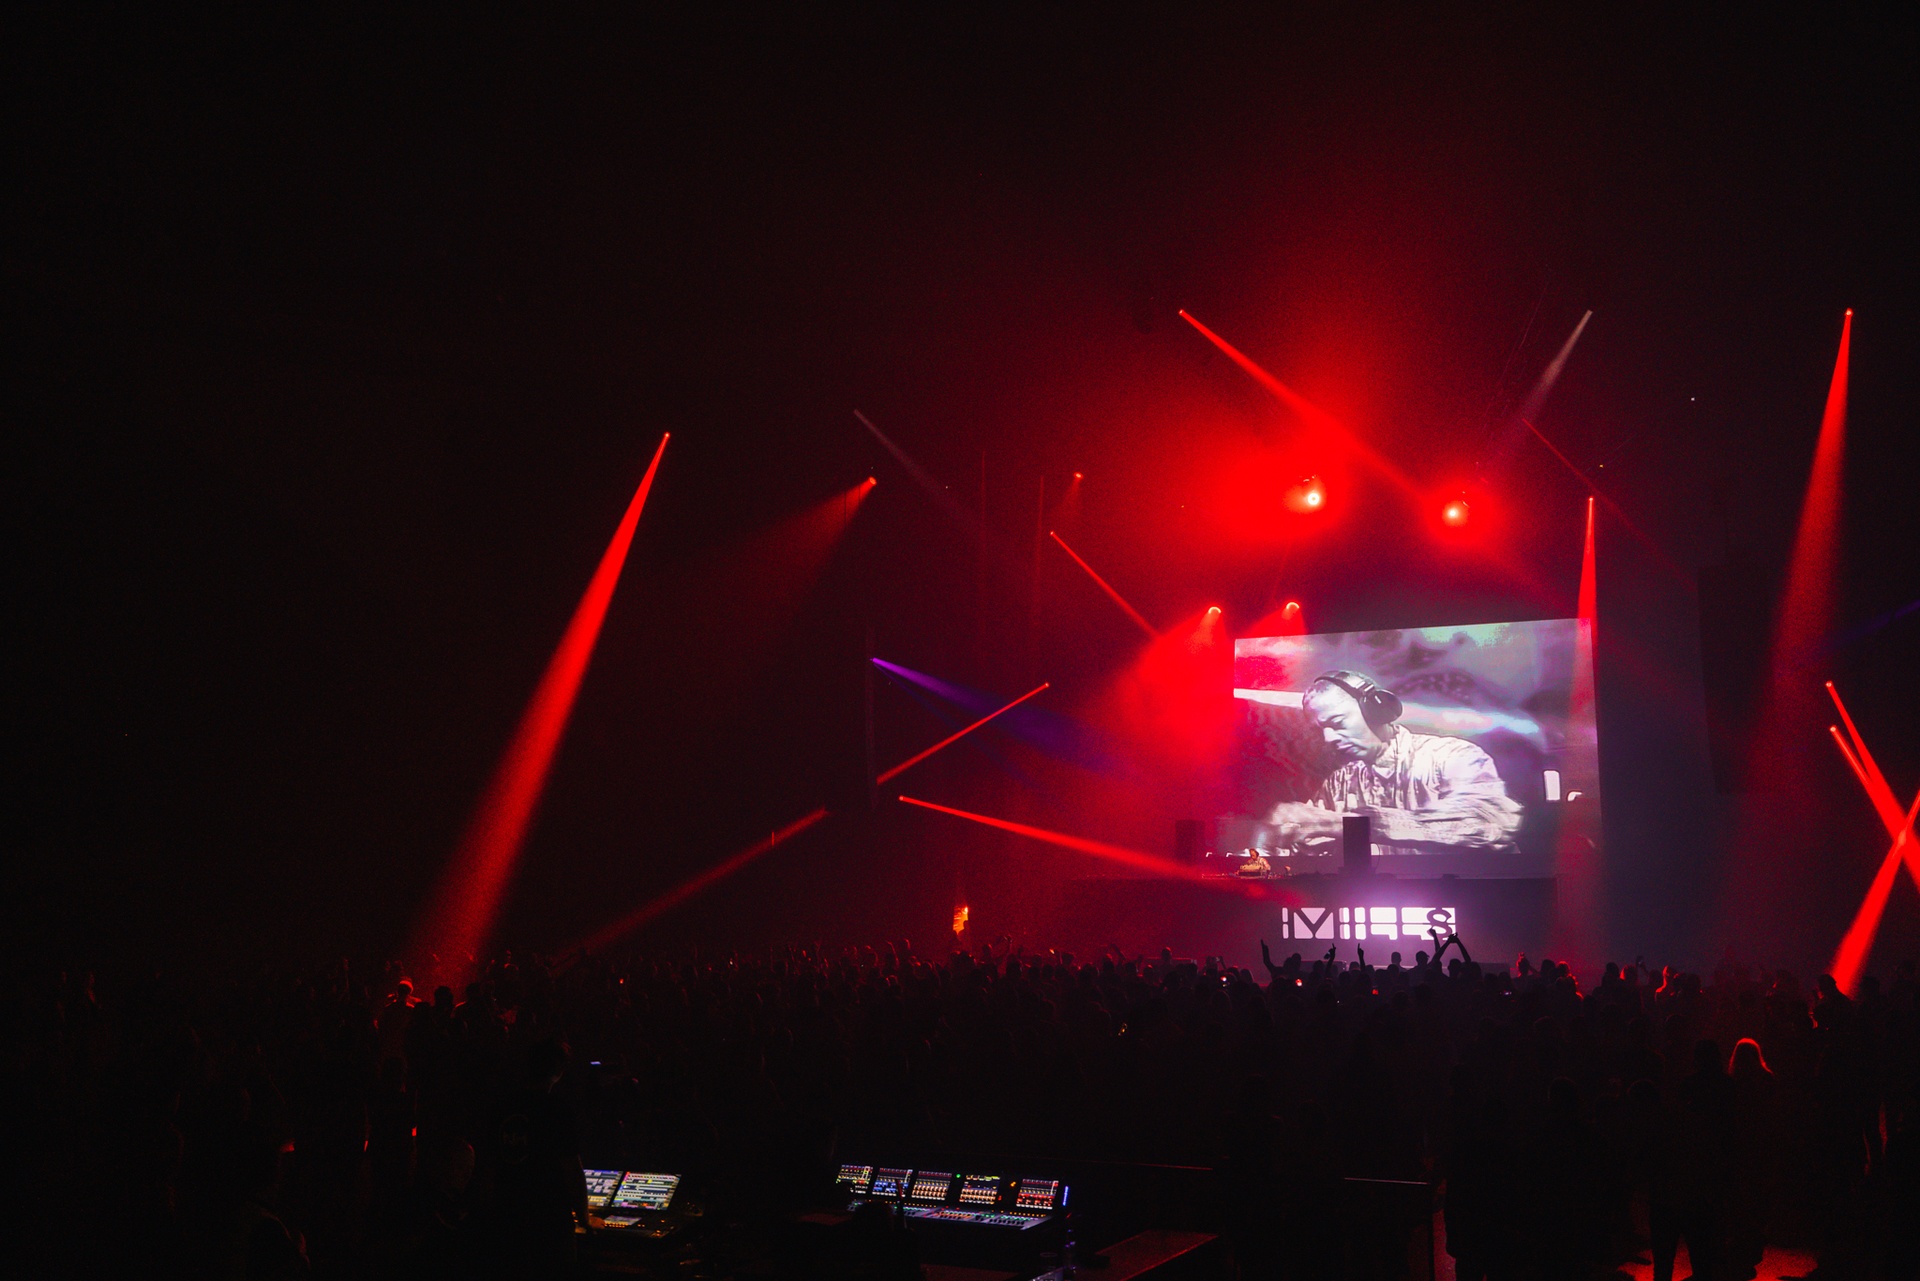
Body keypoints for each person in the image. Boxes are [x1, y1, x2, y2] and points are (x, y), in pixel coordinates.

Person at [1263, 670, 1523, 856]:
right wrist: (1268, 849)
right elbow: (1305, 838)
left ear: (1376, 710)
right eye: (1319, 730)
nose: (1328, 738)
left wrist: (1343, 825)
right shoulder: (1339, 783)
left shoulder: (1454, 756)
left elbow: (1485, 826)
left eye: (1338, 723)